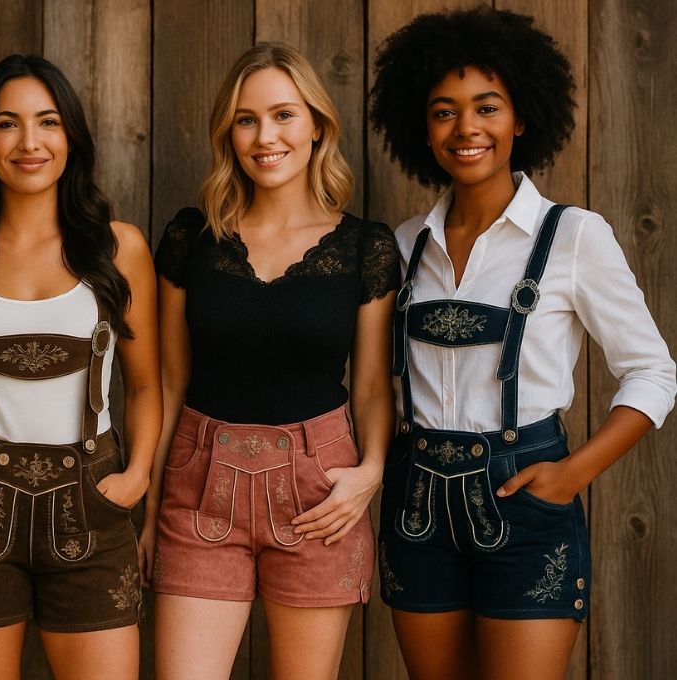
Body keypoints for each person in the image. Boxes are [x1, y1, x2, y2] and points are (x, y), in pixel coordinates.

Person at [368, 8, 676, 680]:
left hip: (525, 501)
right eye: (444, 111)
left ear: (522, 118)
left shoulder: (574, 237)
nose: (467, 128)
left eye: (487, 107)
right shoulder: (401, 246)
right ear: (422, 128)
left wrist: (573, 474)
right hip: (415, 506)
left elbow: (652, 372)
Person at [142, 43, 398, 680]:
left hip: (321, 489)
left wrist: (370, 471)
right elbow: (168, 383)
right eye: (246, 119)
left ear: (317, 124)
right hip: (199, 486)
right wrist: (145, 516)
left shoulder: (366, 248)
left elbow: (369, 387)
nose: (265, 136)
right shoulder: (190, 239)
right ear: (229, 133)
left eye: (283, 115)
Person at [0, 54, 160, 680]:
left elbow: (146, 384)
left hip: (93, 503)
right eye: (7, 124)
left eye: (47, 122)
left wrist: (136, 477)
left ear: (70, 136)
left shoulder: (118, 248)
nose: (29, 142)